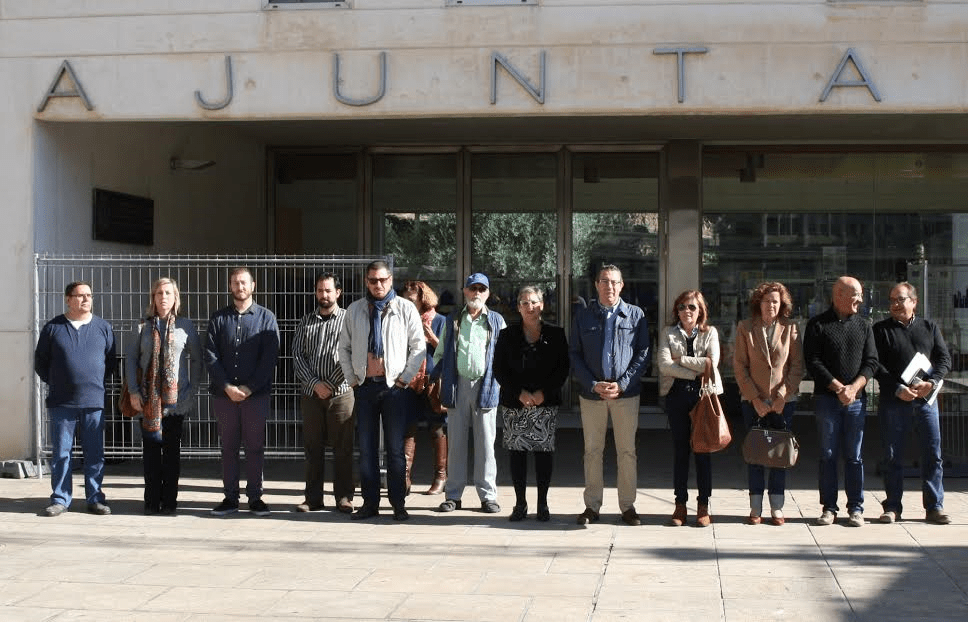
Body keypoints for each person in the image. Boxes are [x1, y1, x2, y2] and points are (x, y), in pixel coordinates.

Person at [339, 260, 425, 521]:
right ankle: (370, 504)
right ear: (366, 282)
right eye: (373, 280)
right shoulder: (354, 311)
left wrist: (404, 379)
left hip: (394, 389)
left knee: (395, 449)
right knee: (366, 449)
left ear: (391, 280)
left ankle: (398, 503)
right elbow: (344, 348)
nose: (379, 285)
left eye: (383, 280)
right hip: (365, 387)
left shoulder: (405, 308)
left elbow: (418, 346)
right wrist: (352, 380)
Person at [570, 265, 651, 526]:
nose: (610, 286)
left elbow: (643, 353)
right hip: (592, 395)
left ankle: (628, 506)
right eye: (604, 281)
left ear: (622, 285)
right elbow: (574, 354)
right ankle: (592, 506)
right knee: (592, 451)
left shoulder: (635, 315)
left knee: (627, 451)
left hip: (625, 395)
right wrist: (593, 383)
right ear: (596, 285)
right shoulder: (583, 316)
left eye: (615, 282)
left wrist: (623, 383)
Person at [35, 281, 117, 517]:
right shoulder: (53, 328)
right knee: (62, 453)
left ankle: (95, 497)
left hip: (93, 401)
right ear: (68, 299)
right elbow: (41, 362)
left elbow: (110, 361)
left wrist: (92, 381)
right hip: (62, 402)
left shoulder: (103, 327)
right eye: (80, 296)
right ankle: (60, 499)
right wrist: (59, 381)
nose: (85, 300)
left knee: (95, 453)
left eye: (89, 295)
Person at [873, 282, 951, 525]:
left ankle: (934, 507)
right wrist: (897, 389)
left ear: (914, 302)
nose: (895, 304)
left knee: (932, 454)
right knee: (892, 455)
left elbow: (944, 359)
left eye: (901, 299)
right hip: (894, 401)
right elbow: (875, 365)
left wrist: (932, 382)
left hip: (925, 401)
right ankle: (893, 507)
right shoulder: (880, 330)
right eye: (892, 300)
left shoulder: (930, 327)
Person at [204, 267, 280, 517]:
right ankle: (230, 498)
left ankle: (256, 497)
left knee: (255, 447)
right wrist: (227, 387)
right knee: (228, 447)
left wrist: (248, 388)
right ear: (230, 286)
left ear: (253, 285)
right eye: (235, 283)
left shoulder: (266, 318)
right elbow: (210, 355)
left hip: (255, 396)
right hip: (224, 396)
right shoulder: (218, 319)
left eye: (244, 283)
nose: (240, 287)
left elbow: (269, 358)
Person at [804, 275, 878, 527]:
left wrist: (854, 388)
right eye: (856, 294)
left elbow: (871, 362)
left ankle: (856, 508)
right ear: (839, 295)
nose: (860, 298)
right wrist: (837, 388)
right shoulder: (817, 325)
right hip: (827, 399)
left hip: (855, 401)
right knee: (827, 454)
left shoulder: (865, 325)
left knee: (854, 456)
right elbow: (813, 361)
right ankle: (829, 507)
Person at [124, 277, 202, 515]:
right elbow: (131, 360)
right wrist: (135, 392)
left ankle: (169, 502)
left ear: (175, 298)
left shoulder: (185, 326)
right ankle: (151, 501)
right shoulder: (142, 327)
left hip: (176, 402)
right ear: (153, 298)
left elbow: (198, 359)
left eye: (168, 293)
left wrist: (191, 389)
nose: (164, 297)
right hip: (148, 401)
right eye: (159, 293)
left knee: (171, 454)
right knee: (150, 454)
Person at [493, 285, 569, 522]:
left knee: (543, 454)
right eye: (524, 303)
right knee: (517, 454)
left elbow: (562, 369)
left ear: (542, 305)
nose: (530, 307)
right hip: (516, 403)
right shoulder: (507, 335)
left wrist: (542, 394)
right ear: (518, 307)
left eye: (534, 302)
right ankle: (520, 504)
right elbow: (499, 370)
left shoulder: (556, 334)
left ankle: (542, 504)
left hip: (544, 403)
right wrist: (520, 393)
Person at [434, 273, 507, 514]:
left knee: (486, 443)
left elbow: (505, 356)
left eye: (481, 289)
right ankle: (453, 495)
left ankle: (488, 496)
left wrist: (502, 383)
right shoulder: (453, 318)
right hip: (458, 384)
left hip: (486, 384)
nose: (476, 293)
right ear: (464, 291)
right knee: (456, 442)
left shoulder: (496, 321)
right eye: (472, 288)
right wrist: (437, 380)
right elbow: (442, 352)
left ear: (487, 293)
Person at [733, 282, 804, 526]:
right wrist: (754, 398)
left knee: (778, 455)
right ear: (758, 303)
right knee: (755, 453)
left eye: (775, 301)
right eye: (766, 301)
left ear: (781, 304)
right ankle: (755, 507)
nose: (771, 305)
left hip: (784, 402)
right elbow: (739, 366)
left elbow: (797, 366)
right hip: (752, 400)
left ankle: (777, 507)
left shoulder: (791, 328)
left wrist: (782, 395)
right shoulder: (745, 328)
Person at [292, 272, 355, 514]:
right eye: (320, 290)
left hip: (340, 393)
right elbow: (297, 355)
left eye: (328, 290)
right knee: (312, 447)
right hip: (311, 395)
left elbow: (351, 354)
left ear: (338, 293)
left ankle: (344, 497)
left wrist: (329, 383)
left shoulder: (349, 320)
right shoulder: (306, 320)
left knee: (343, 447)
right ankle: (313, 498)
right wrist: (315, 384)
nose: (324, 295)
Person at [658, 289, 722, 527]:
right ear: (677, 310)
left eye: (692, 307)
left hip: (703, 396)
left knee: (703, 451)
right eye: (682, 307)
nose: (687, 311)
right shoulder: (668, 332)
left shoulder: (710, 332)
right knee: (680, 452)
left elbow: (711, 364)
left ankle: (703, 505)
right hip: (676, 397)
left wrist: (681, 360)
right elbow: (664, 366)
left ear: (700, 311)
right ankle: (680, 505)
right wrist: (695, 370)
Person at [400, 280, 448, 495]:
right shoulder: (402, 320)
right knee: (408, 428)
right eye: (405, 299)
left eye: (411, 299)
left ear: (423, 298)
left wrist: (433, 339)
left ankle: (440, 477)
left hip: (432, 381)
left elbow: (450, 353)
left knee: (436, 427)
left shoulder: (440, 321)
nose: (408, 302)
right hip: (409, 381)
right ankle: (404, 477)